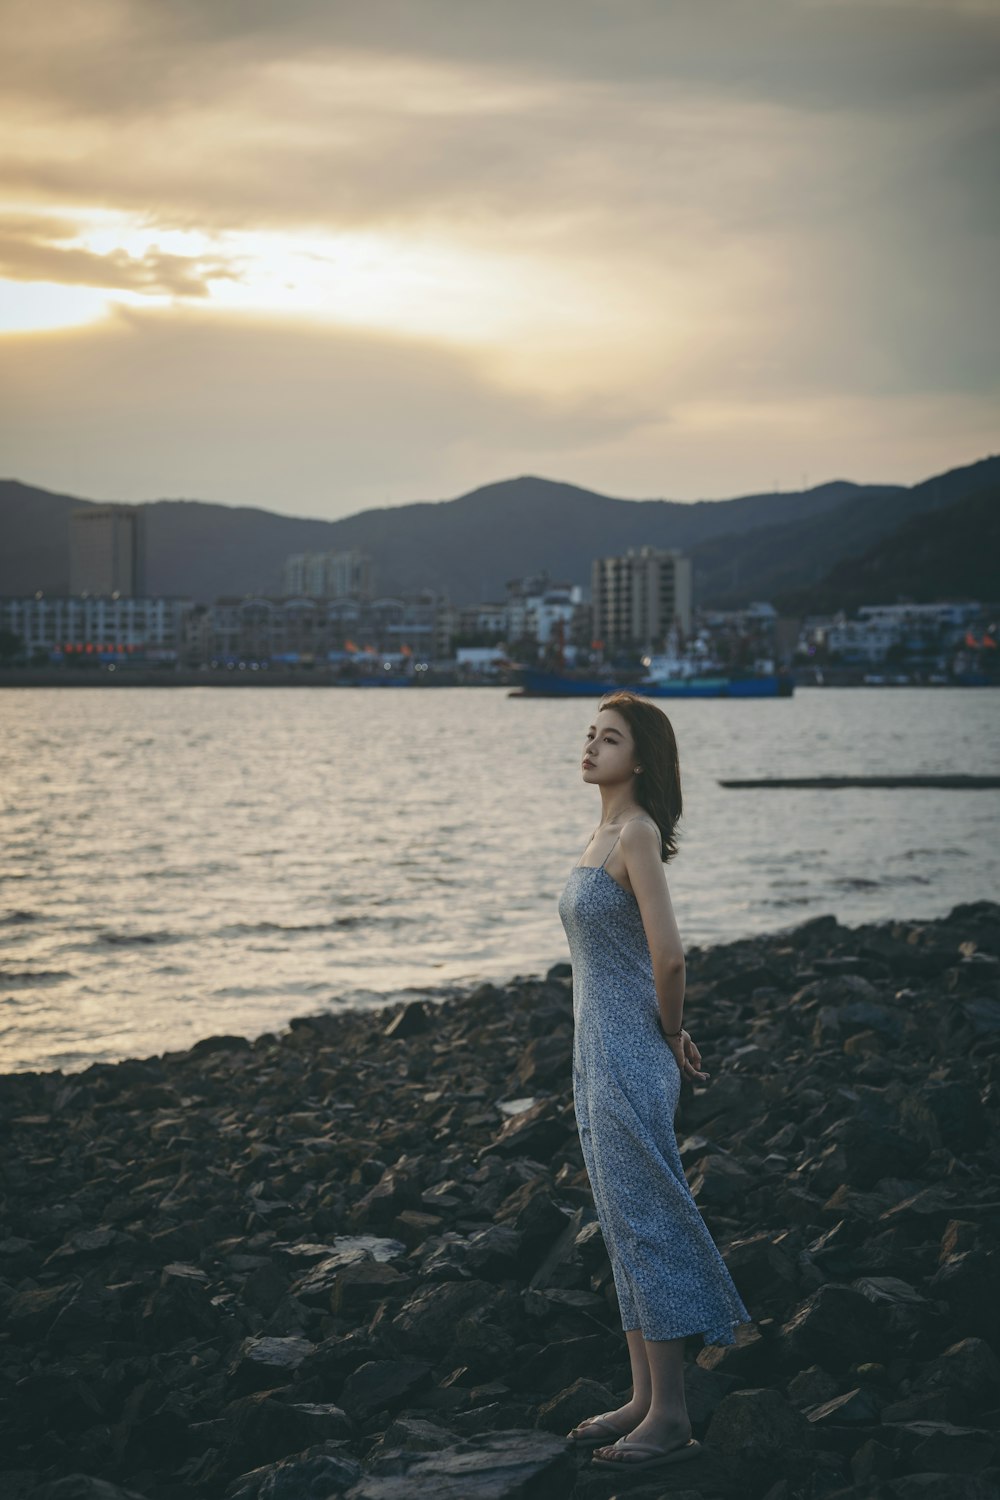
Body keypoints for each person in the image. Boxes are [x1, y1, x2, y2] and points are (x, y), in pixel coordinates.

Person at [556, 690, 753, 1474]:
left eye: (609, 739)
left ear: (639, 760)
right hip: (598, 1051)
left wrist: (669, 1036)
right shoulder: (600, 831)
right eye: (590, 734)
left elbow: (669, 956)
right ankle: (642, 1396)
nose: (591, 747)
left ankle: (670, 1416)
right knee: (622, 1218)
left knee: (648, 1221)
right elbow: (634, 962)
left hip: (629, 1054)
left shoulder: (634, 833)